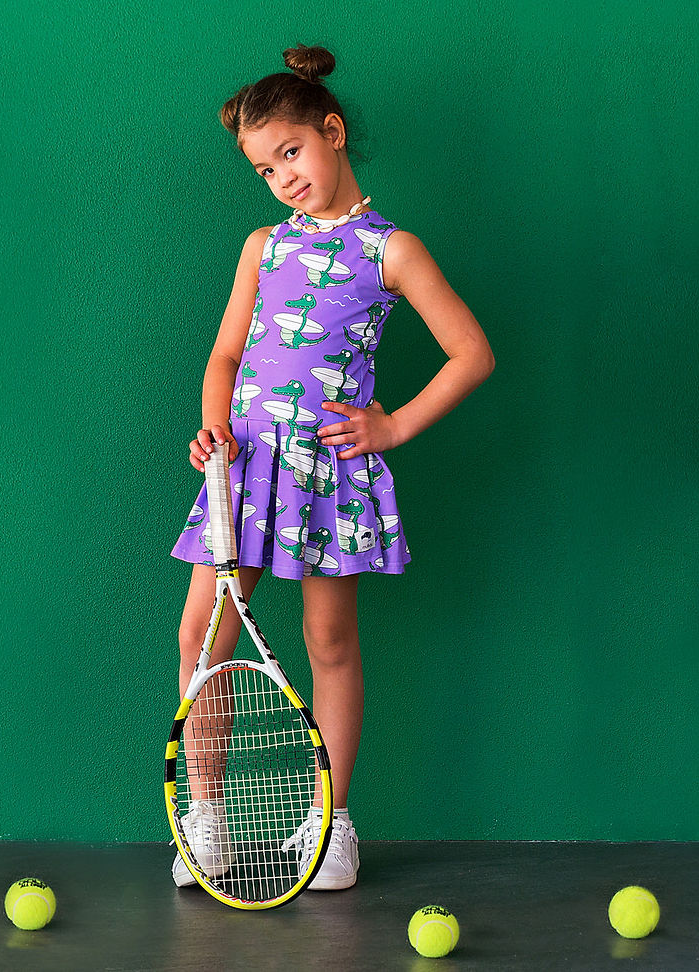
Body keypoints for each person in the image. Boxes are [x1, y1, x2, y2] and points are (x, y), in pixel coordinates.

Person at [169, 44, 494, 891]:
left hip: (326, 476)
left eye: (292, 152)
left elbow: (472, 353)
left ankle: (332, 824)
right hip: (244, 473)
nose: (283, 177)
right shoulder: (262, 247)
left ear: (333, 132)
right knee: (202, 634)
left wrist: (394, 426)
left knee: (329, 640)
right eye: (265, 167)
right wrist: (215, 428)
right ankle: (205, 819)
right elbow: (225, 357)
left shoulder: (392, 249)